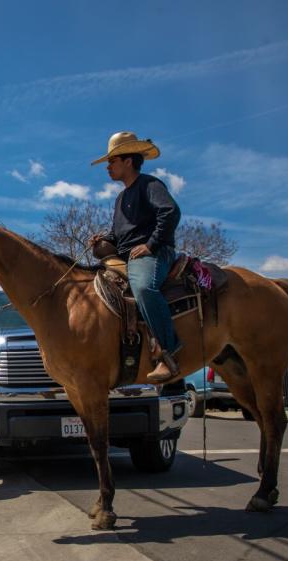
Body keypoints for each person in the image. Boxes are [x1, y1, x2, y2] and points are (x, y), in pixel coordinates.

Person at [89, 131, 183, 383]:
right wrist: (104, 241)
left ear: (128, 161)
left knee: (143, 288)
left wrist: (151, 245)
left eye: (112, 161)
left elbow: (170, 212)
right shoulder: (121, 198)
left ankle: (168, 354)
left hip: (154, 254)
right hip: (127, 256)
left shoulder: (149, 185)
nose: (108, 167)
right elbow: (120, 235)